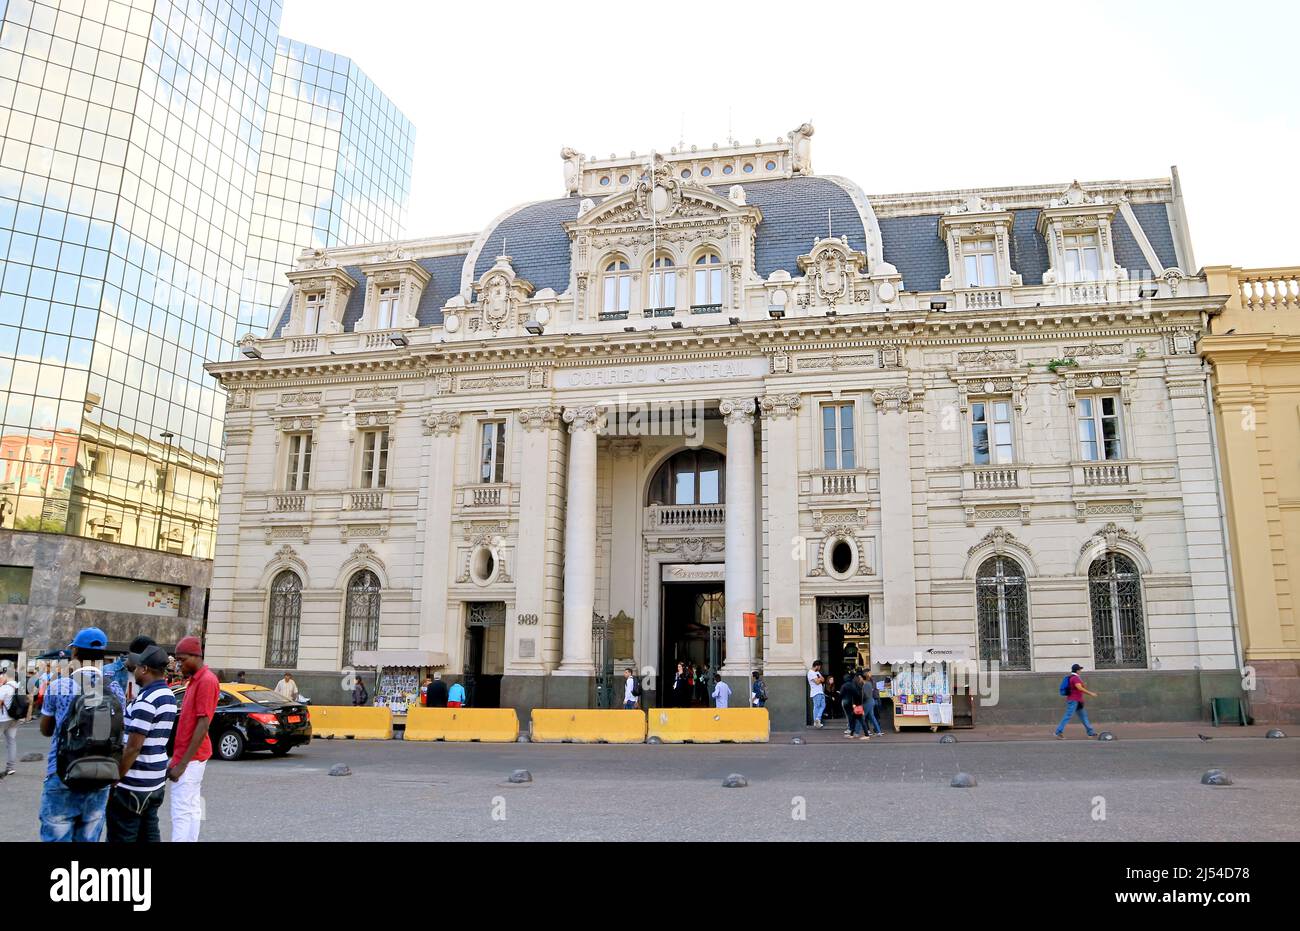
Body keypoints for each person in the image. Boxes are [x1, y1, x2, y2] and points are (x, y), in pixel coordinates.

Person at [39, 627, 124, 842]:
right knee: (89, 837)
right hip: (101, 775)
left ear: (74, 652)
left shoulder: (59, 686)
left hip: (62, 773)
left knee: (56, 837)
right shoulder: (115, 689)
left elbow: (45, 730)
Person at [108, 645, 175, 843]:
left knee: (123, 836)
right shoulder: (168, 695)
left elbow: (134, 746)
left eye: (136, 668)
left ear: (144, 669)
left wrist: (116, 778)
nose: (134, 671)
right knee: (149, 834)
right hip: (155, 780)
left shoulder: (147, 700)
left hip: (134, 782)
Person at [168, 635, 218, 842]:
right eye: (177, 660)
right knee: (191, 807)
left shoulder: (206, 681)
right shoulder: (195, 681)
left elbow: (203, 723)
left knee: (181, 811)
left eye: (182, 660)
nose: (179, 665)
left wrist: (182, 764)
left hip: (191, 757)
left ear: (196, 656)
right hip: (192, 756)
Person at [1055, 663, 1099, 739]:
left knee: (1083, 716)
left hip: (1077, 701)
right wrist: (1090, 693)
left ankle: (1090, 732)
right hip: (1074, 700)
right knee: (1068, 716)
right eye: (1080, 669)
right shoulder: (1075, 678)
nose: (1080, 671)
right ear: (1077, 670)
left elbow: (1079, 687)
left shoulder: (1073, 677)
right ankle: (1058, 732)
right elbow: (1079, 688)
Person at [0, 667, 20, 776]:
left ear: (7, 675)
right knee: (11, 741)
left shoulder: (5, 688)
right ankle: (10, 767)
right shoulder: (19, 686)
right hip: (15, 718)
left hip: (3, 718)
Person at [807, 660, 826, 727]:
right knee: (817, 706)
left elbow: (823, 679)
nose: (820, 668)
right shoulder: (810, 673)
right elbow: (817, 682)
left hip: (820, 691)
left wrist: (819, 679)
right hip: (816, 692)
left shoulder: (817, 672)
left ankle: (817, 719)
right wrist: (820, 679)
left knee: (823, 705)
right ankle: (816, 721)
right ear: (817, 666)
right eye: (820, 666)